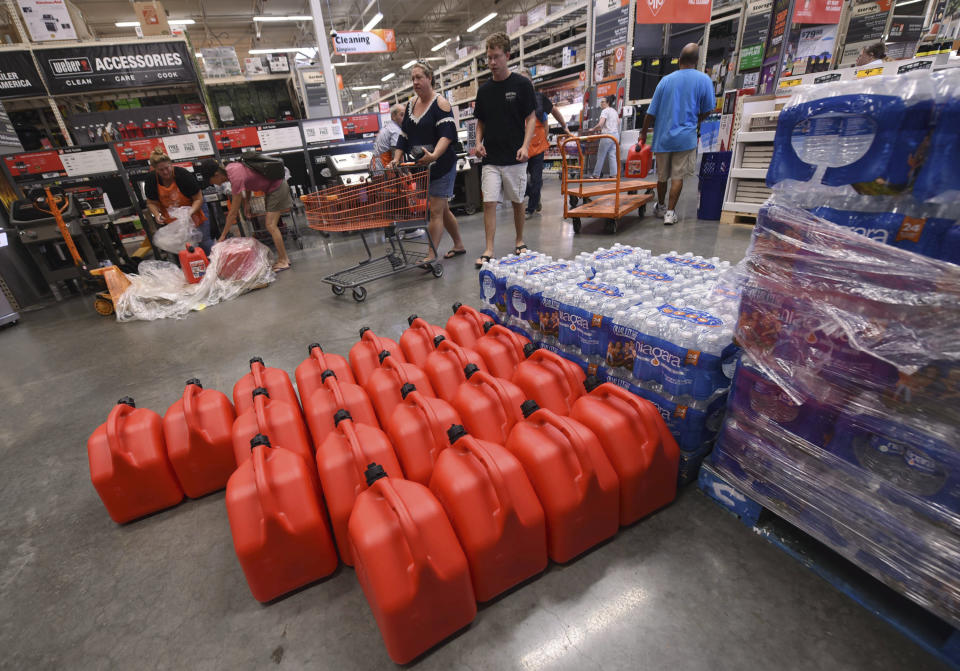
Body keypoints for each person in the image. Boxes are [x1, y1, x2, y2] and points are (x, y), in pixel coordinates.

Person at [391, 62, 466, 263]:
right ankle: (459, 244)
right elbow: (404, 136)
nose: (415, 82)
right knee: (442, 209)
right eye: (413, 78)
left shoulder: (440, 104)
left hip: (441, 165)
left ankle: (431, 255)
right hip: (422, 167)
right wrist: (397, 158)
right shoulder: (409, 106)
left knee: (434, 210)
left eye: (419, 77)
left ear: (429, 78)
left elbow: (447, 135)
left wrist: (434, 155)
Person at [474, 31, 536, 268]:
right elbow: (481, 121)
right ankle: (489, 248)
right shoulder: (485, 90)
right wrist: (478, 143)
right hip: (491, 157)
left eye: (496, 57)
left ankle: (519, 240)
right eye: (488, 57)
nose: (491, 62)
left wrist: (525, 146)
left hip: (515, 156)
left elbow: (530, 118)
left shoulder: (521, 85)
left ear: (507, 56)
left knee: (518, 201)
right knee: (489, 202)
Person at [639, 43, 715, 226]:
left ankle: (661, 206)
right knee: (677, 177)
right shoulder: (703, 80)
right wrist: (695, 121)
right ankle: (670, 213)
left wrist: (643, 134)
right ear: (696, 61)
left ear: (679, 60)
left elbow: (651, 112)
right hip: (685, 138)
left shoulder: (665, 81)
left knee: (662, 177)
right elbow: (708, 109)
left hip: (663, 137)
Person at [199, 157, 293, 271]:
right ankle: (284, 259)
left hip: (277, 188)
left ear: (216, 174)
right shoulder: (231, 168)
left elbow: (233, 213)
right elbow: (249, 182)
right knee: (271, 225)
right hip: (272, 188)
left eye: (211, 181)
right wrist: (247, 202)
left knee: (271, 225)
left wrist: (223, 236)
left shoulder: (235, 178)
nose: (214, 184)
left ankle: (284, 260)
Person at [143, 148, 213, 255]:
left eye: (167, 168)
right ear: (155, 169)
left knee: (203, 241)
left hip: (194, 210)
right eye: (161, 170)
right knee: (182, 246)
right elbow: (151, 202)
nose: (166, 172)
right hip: (172, 217)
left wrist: (188, 213)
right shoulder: (151, 180)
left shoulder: (183, 175)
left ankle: (214, 267)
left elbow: (198, 199)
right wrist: (157, 214)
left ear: (171, 164)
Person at [524, 75, 568, 217]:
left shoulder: (539, 99)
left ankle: (530, 208)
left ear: (531, 83)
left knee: (536, 179)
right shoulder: (514, 101)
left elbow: (553, 112)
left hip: (537, 147)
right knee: (520, 181)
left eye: (526, 81)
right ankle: (534, 197)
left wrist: (564, 126)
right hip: (521, 148)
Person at [589, 95, 620, 179]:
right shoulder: (614, 111)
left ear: (608, 103)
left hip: (607, 135)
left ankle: (596, 174)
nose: (601, 103)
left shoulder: (605, 111)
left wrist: (593, 129)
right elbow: (618, 122)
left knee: (601, 155)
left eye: (603, 102)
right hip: (616, 136)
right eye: (601, 101)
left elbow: (601, 124)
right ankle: (613, 174)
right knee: (612, 155)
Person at [371, 103, 405, 171]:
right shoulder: (395, 130)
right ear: (393, 116)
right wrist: (405, 172)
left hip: (376, 166)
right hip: (384, 168)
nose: (404, 118)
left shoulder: (388, 126)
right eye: (401, 115)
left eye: (405, 115)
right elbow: (396, 154)